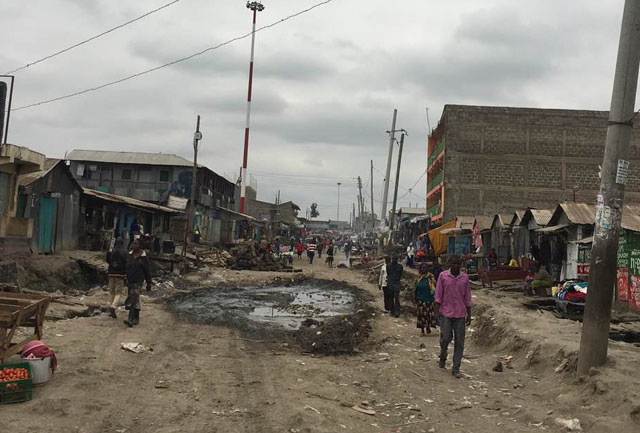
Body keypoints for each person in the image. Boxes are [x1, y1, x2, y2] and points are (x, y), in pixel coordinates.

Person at [435, 255, 472, 378]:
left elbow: (467, 297)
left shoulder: (465, 278)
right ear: (450, 264)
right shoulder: (443, 276)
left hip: (460, 314)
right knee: (445, 337)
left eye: (458, 264)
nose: (456, 266)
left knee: (459, 342)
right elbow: (438, 294)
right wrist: (436, 311)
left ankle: (456, 368)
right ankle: (443, 354)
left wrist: (469, 313)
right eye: (454, 263)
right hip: (446, 312)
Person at [123, 240, 152, 328]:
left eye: (136, 244)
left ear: (140, 246)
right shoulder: (129, 255)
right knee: (134, 298)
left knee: (133, 298)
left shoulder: (144, 258)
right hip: (130, 280)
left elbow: (147, 271)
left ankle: (130, 319)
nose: (133, 245)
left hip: (138, 281)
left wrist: (148, 283)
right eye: (133, 243)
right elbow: (125, 267)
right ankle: (136, 317)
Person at [106, 237, 128, 319]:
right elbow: (126, 263)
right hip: (120, 275)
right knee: (118, 292)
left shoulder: (111, 251)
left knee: (111, 292)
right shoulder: (125, 252)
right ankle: (113, 306)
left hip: (111, 273)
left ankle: (111, 309)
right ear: (123, 243)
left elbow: (107, 260)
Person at [415, 263, 437, 335]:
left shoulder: (431, 277)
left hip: (429, 299)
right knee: (421, 314)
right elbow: (415, 288)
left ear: (428, 269)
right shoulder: (418, 277)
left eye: (425, 268)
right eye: (422, 268)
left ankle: (428, 327)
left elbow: (435, 286)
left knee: (428, 314)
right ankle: (422, 329)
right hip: (420, 299)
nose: (423, 269)